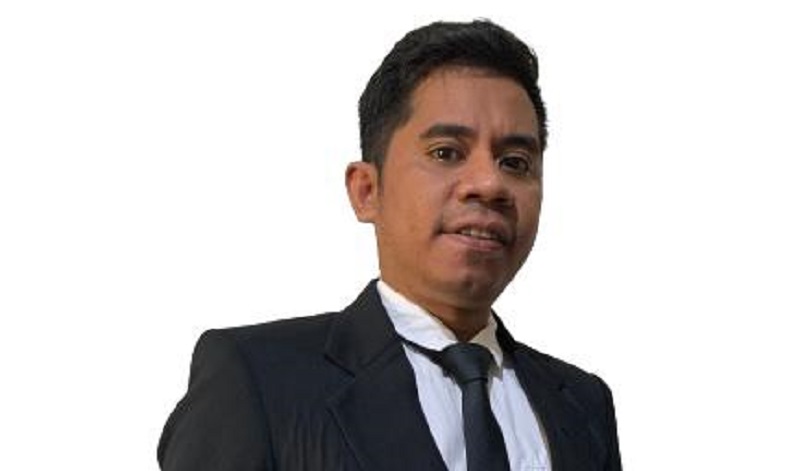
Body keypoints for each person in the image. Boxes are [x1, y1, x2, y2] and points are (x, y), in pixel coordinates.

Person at [158, 19, 622, 471]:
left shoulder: (582, 405)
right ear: (367, 191)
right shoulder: (259, 380)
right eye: (446, 152)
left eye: (516, 162)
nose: (489, 184)